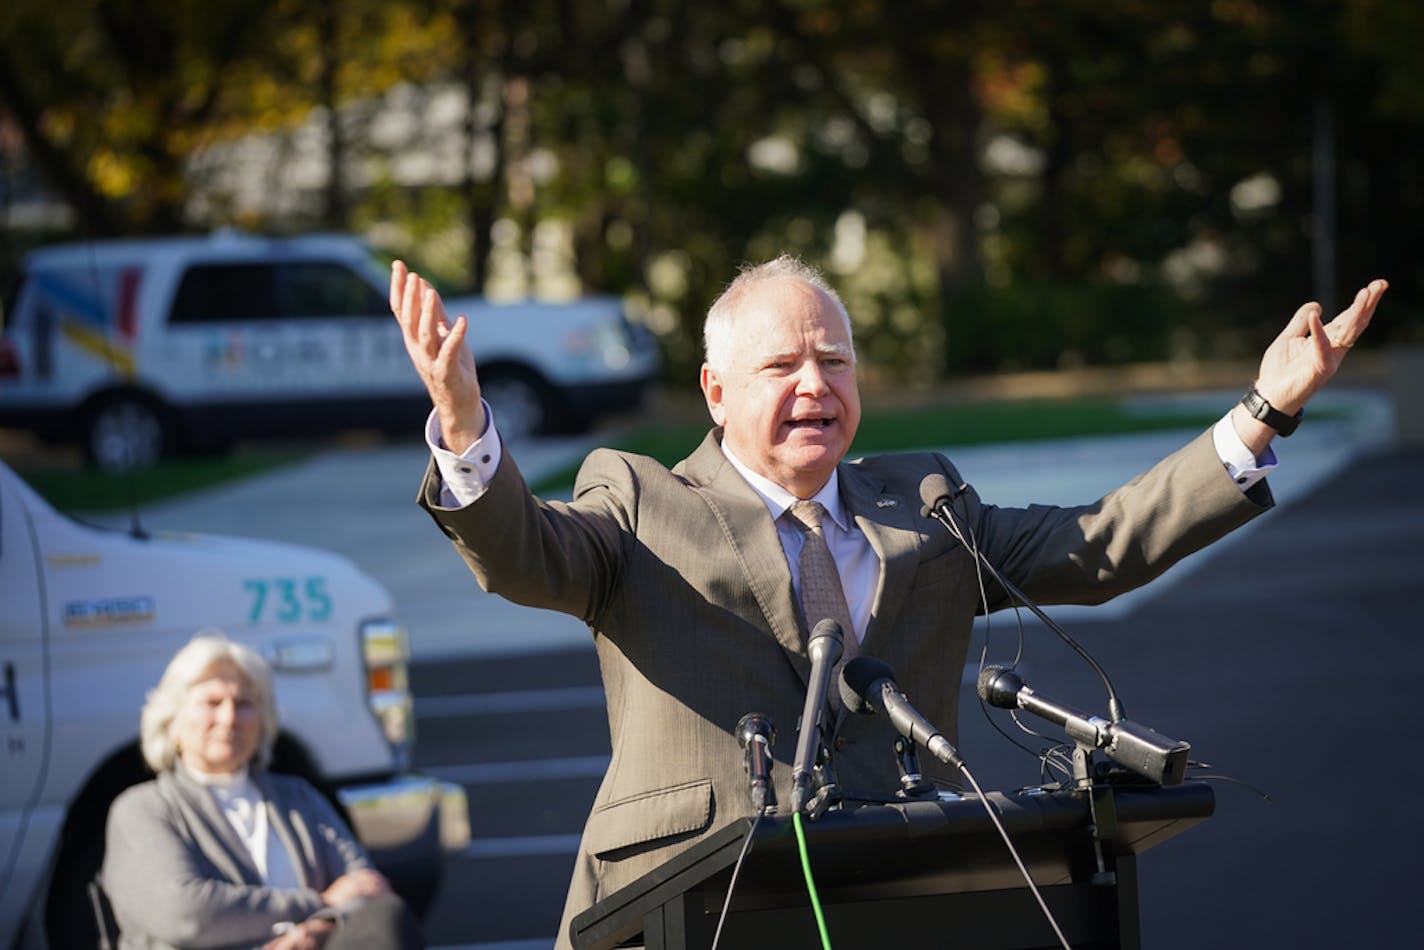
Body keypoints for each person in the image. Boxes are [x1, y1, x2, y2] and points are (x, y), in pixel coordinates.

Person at [390, 255, 1386, 947]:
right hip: (679, 910)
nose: (812, 382)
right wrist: (468, 426)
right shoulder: (643, 499)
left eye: (832, 358)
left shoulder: (925, 507)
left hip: (890, 904)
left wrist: (1261, 413)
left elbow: (1101, 543)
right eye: (779, 365)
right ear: (713, 390)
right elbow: (528, 554)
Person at [101, 633, 424, 950]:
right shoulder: (142, 808)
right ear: (173, 719)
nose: (228, 719)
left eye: (243, 704)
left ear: (264, 719)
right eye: (212, 703)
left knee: (386, 918)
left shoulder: (297, 797)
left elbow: (368, 888)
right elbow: (186, 913)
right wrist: (320, 902)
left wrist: (319, 927)